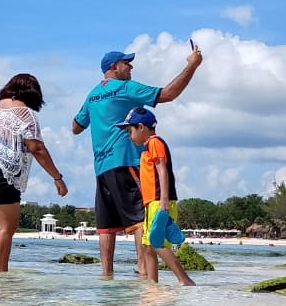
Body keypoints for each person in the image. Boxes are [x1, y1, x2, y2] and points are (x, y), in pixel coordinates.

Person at [72, 42, 203, 277]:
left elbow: (75, 127)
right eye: (126, 62)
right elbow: (168, 94)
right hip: (127, 162)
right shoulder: (126, 88)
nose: (131, 65)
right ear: (114, 67)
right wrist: (192, 66)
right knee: (138, 219)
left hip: (101, 167)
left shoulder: (92, 95)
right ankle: (143, 272)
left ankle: (106, 276)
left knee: (106, 226)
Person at [0, 73, 68, 271]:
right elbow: (37, 149)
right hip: (1, 173)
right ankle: (2, 275)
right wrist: (57, 177)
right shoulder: (25, 114)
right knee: (6, 228)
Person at [115, 106, 195, 286]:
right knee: (147, 246)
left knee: (157, 243)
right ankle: (152, 286)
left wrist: (163, 201)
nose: (129, 136)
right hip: (151, 202)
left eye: (130, 131)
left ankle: (185, 280)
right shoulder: (147, 147)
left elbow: (162, 169)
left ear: (141, 127)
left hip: (159, 201)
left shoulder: (154, 142)